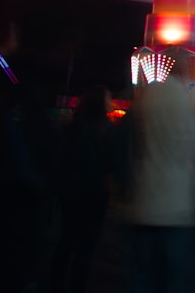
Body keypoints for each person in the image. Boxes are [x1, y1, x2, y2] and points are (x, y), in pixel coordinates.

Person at [121, 75, 195, 293]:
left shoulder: (141, 110)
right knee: (175, 278)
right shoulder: (186, 108)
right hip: (176, 207)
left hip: (143, 203)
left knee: (142, 276)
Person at [50, 85, 117, 293]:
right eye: (108, 98)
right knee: (87, 246)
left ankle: (56, 283)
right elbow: (111, 162)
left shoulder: (72, 125)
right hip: (94, 191)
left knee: (66, 239)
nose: (111, 101)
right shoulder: (107, 129)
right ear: (100, 102)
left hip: (70, 189)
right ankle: (76, 285)